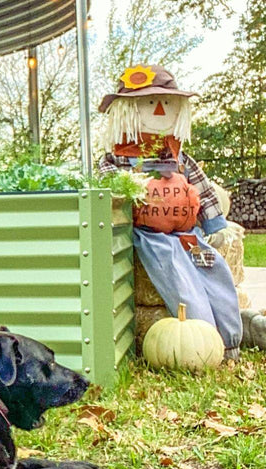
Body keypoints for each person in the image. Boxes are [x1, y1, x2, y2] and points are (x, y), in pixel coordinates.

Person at [98, 64, 242, 359]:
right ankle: (204, 343)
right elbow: (107, 189)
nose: (161, 110)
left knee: (210, 267)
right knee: (178, 276)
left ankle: (228, 340)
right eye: (151, 103)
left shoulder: (177, 156)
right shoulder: (117, 157)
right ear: (127, 110)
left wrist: (214, 225)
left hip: (187, 234)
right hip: (151, 237)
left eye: (166, 102)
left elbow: (201, 187)